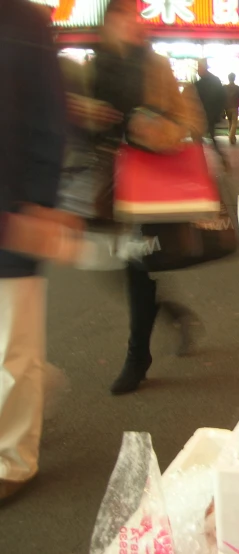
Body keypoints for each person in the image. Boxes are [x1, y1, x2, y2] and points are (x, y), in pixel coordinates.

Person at [90, 0, 206, 394]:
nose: (129, 23)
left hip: (148, 186)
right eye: (121, 17)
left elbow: (189, 118)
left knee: (138, 268)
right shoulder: (96, 65)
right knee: (119, 267)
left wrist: (153, 129)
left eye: (132, 16)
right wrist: (89, 114)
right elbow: (85, 121)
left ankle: (137, 357)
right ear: (109, 23)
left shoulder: (155, 65)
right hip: (108, 185)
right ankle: (174, 314)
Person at [0, 0, 67, 500]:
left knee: (12, 348)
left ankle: (12, 462)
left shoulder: (25, 23)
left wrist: (40, 203)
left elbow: (49, 119)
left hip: (12, 209)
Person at [195, 58, 227, 164]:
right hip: (207, 115)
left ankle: (201, 162)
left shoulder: (201, 83)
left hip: (206, 116)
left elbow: (221, 97)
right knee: (210, 139)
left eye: (199, 67)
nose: (198, 70)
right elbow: (222, 97)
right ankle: (222, 159)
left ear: (204, 68)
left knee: (201, 139)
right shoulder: (213, 80)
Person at [224, 72, 239, 145]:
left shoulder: (224, 87)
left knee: (230, 122)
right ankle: (231, 136)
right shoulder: (238, 88)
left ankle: (232, 138)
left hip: (227, 107)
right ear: (234, 78)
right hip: (235, 106)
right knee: (234, 122)